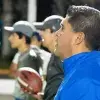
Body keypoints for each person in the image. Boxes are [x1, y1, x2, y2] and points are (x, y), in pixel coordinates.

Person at [54, 5, 100, 100]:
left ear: (78, 38)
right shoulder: (84, 72)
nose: (56, 33)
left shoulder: (85, 82)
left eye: (62, 28)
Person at [4, 21, 43, 100]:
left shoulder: (32, 56)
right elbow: (11, 72)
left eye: (13, 35)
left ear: (23, 38)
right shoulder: (20, 54)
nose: (10, 38)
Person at [33, 15, 64, 100]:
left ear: (54, 33)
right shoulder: (54, 54)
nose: (40, 33)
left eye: (44, 30)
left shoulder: (63, 56)